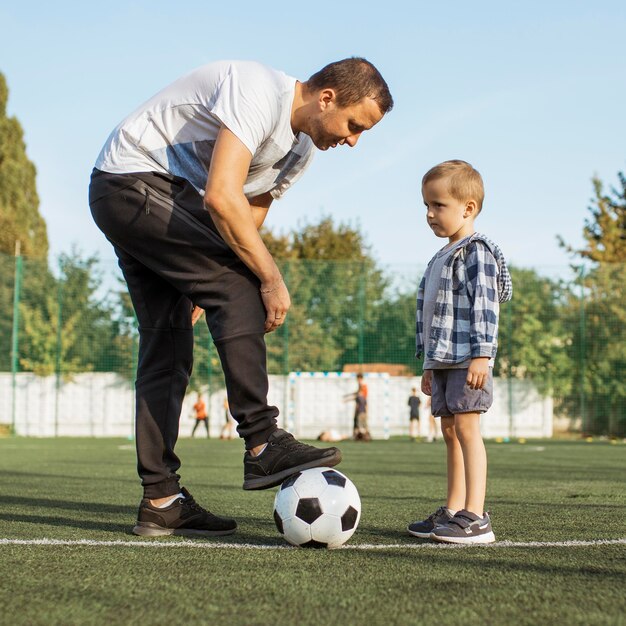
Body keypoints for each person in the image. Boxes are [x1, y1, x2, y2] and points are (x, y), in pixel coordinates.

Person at [89, 58, 393, 537]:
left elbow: (248, 213)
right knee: (244, 284)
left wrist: (203, 281)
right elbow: (220, 197)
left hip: (155, 203)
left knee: (168, 346)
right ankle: (262, 441)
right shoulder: (257, 91)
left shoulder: (300, 152)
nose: (353, 141)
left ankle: (161, 499)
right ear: (327, 97)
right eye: (355, 126)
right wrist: (267, 279)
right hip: (132, 183)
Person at [407, 160, 512, 544]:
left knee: (467, 428)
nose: (431, 214)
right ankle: (452, 510)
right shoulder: (439, 257)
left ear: (467, 208)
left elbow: (486, 305)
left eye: (438, 205)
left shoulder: (476, 252)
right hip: (444, 359)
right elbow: (432, 315)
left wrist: (482, 354)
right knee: (449, 430)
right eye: (427, 206)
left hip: (469, 358)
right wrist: (429, 364)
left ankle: (476, 515)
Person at [352, 373, 371, 441]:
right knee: (364, 424)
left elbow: (358, 397)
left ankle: (361, 437)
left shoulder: (362, 386)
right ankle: (367, 436)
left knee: (360, 424)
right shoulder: (362, 387)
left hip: (360, 410)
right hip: (363, 410)